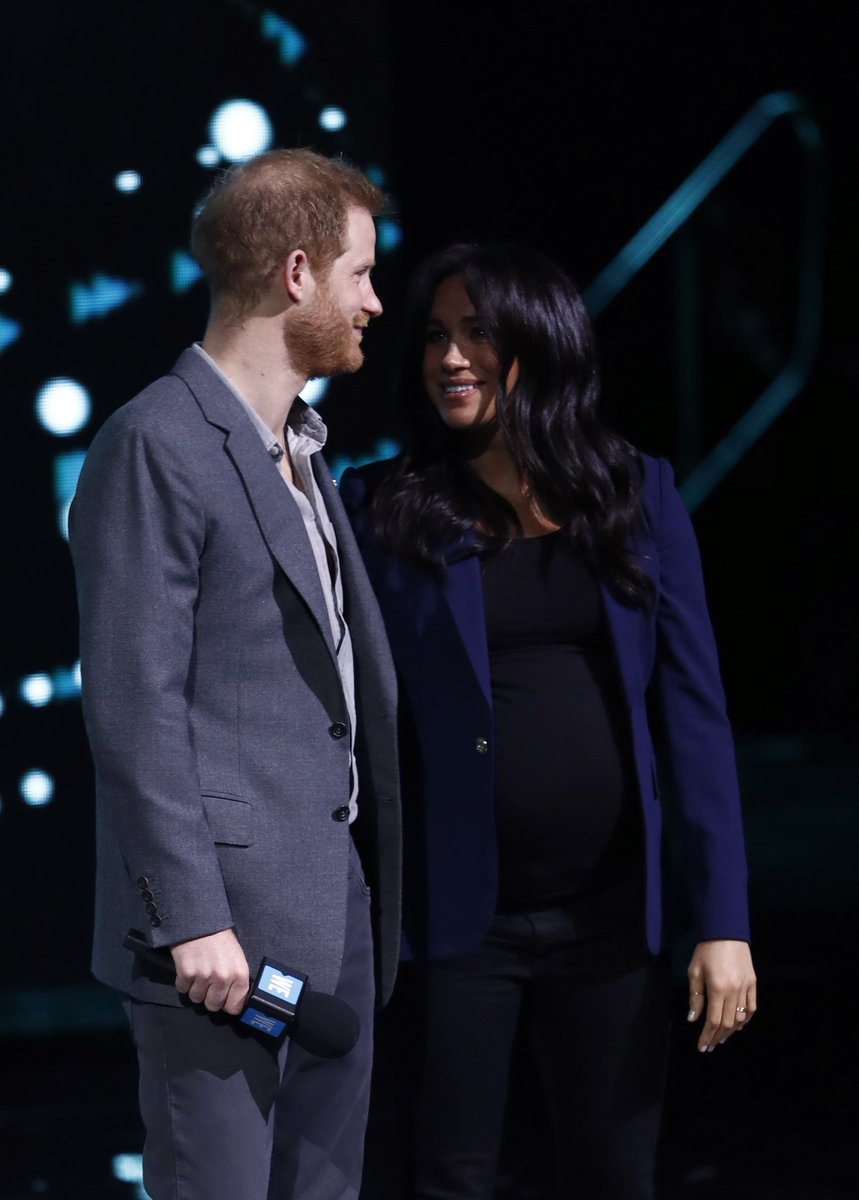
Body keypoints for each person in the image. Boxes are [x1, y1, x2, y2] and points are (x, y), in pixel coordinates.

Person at [339, 240, 757, 1199]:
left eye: (479, 334)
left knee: (614, 1178)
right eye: (436, 337)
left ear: (542, 342)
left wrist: (722, 922)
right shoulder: (382, 505)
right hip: (456, 923)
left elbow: (694, 719)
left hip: (611, 917)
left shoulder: (634, 492)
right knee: (450, 1179)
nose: (450, 357)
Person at [67, 147, 401, 1200]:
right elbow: (132, 704)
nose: (376, 303)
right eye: (360, 274)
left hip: (332, 906)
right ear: (296, 273)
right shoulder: (155, 444)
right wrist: (191, 918)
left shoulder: (300, 449)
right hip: (220, 942)